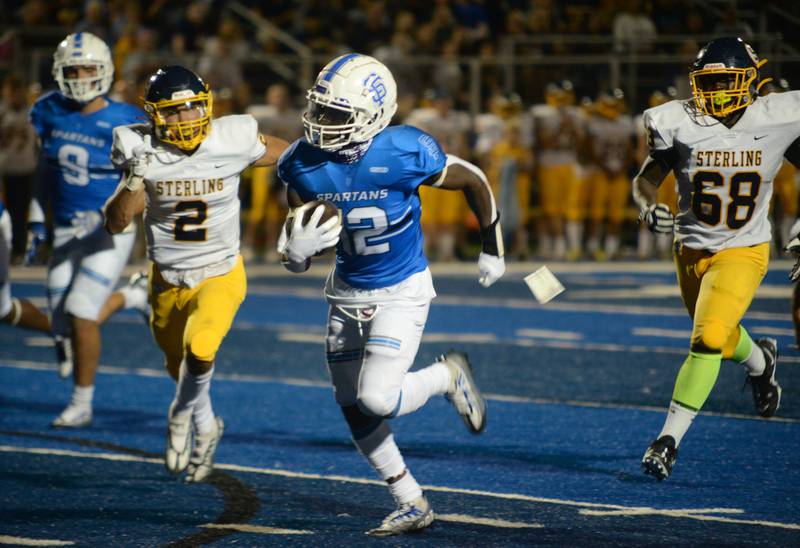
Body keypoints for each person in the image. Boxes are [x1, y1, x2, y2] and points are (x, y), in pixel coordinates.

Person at [277, 54, 505, 535]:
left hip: (401, 288)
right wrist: (293, 253)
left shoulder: (404, 149)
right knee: (349, 402)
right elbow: (303, 247)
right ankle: (410, 499)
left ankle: (446, 376)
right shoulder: (300, 163)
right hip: (345, 289)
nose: (321, 124)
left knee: (377, 399)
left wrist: (492, 246)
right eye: (319, 110)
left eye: (336, 115)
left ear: (373, 115)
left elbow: (475, 179)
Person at [105, 66, 288, 482]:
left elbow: (289, 153)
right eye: (172, 112)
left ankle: (178, 418)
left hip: (220, 271)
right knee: (179, 364)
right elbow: (116, 223)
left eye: (191, 108)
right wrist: (135, 177)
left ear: (206, 106)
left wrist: (312, 182)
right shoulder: (138, 147)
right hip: (166, 276)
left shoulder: (233, 137)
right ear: (154, 115)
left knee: (201, 350)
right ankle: (207, 425)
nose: (184, 119)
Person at [634, 37, 797, 480]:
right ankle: (761, 361)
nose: (719, 89)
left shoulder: (779, 117)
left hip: (744, 247)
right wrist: (647, 205)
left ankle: (667, 441)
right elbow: (647, 179)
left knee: (706, 339)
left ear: (749, 80)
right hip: (690, 247)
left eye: (728, 79)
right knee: (719, 339)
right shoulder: (677, 121)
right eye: (711, 81)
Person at [27, 32, 149, 427]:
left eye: (88, 69)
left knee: (81, 312)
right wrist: (35, 217)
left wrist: (112, 214)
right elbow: (44, 169)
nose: (80, 76)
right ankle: (132, 297)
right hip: (64, 228)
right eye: (72, 69)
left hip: (107, 232)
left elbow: (144, 179)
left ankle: (82, 402)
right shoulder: (46, 109)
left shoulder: (126, 118)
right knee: (60, 320)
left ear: (106, 71)